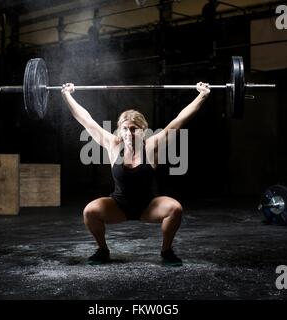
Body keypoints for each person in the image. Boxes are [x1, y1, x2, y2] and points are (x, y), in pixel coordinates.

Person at [61, 82, 211, 266]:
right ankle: (102, 250)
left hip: (149, 206)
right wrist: (67, 95)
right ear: (119, 130)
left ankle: (166, 251)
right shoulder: (113, 144)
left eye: (134, 128)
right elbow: (86, 120)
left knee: (175, 209)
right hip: (119, 205)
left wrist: (202, 95)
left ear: (143, 130)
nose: (129, 133)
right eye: (125, 128)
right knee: (90, 211)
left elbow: (180, 120)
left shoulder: (152, 144)